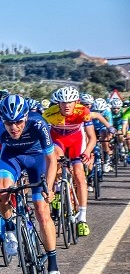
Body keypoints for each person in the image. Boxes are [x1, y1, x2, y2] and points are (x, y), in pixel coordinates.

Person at [0, 95, 63, 274]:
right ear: (2, 120)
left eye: (18, 122)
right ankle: (9, 227)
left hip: (37, 159)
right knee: (2, 189)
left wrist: (48, 188)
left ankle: (53, 266)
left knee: (42, 211)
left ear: (26, 118)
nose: (14, 127)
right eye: (9, 122)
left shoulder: (38, 123)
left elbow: (52, 160)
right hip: (11, 158)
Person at [41, 86, 95, 236]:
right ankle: (58, 189)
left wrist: (87, 151)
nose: (66, 106)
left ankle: (82, 218)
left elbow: (92, 137)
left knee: (79, 175)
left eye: (70, 102)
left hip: (76, 142)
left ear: (76, 102)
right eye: (63, 103)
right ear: (58, 103)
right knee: (56, 160)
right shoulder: (49, 114)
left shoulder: (83, 111)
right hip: (57, 141)